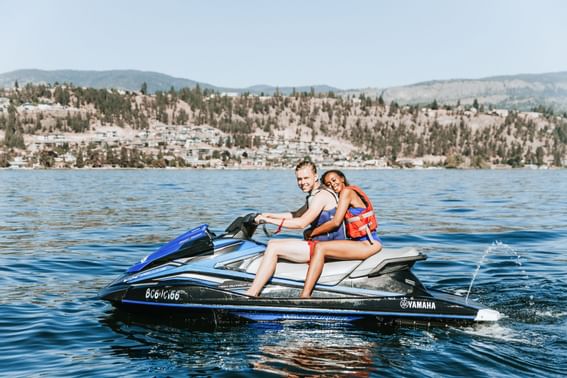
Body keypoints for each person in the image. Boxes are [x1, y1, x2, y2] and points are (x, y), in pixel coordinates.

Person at [245, 161, 346, 297]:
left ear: (315, 176)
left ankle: (252, 293)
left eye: (306, 178)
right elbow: (296, 214)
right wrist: (268, 214)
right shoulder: (314, 195)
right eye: (299, 179)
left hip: (327, 247)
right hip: (318, 244)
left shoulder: (322, 196)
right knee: (273, 244)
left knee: (274, 247)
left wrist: (268, 221)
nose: (302, 182)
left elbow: (301, 223)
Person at [300, 170, 383, 298]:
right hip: (358, 243)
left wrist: (312, 232)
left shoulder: (347, 192)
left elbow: (336, 222)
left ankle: (305, 295)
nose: (332, 184)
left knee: (321, 248)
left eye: (334, 180)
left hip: (368, 243)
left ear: (342, 178)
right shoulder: (340, 197)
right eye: (328, 184)